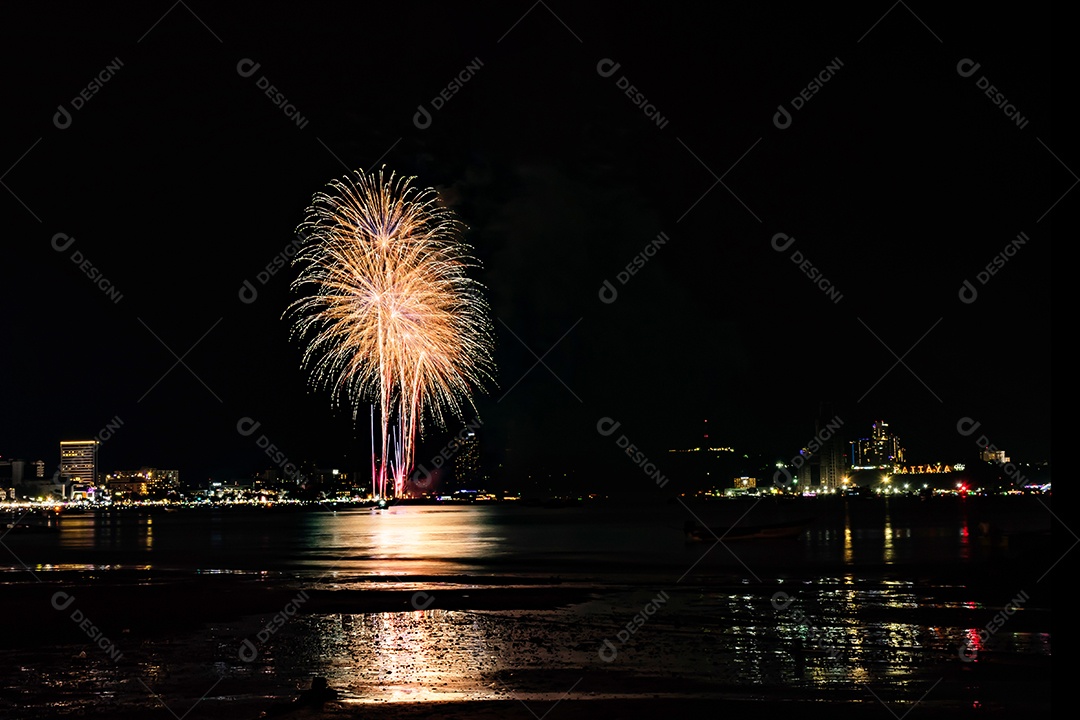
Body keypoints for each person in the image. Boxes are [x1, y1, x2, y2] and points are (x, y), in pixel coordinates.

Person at [259, 676, 339, 717]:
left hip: (299, 705)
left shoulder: (311, 693)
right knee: (282, 708)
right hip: (299, 705)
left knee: (283, 708)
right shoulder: (322, 694)